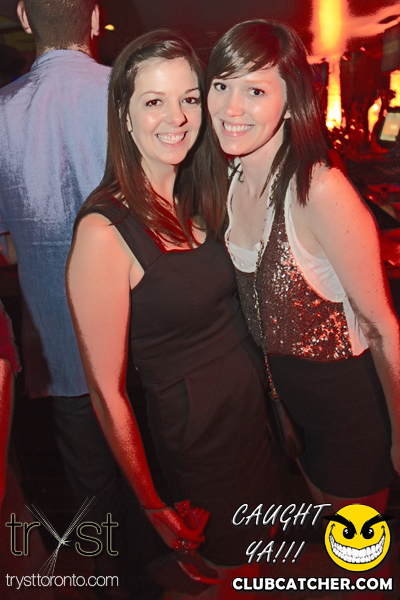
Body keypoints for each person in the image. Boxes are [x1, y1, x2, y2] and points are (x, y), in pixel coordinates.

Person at [66, 29, 284, 597]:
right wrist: (150, 502)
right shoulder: (104, 232)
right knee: (234, 575)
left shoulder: (196, 194)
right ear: (124, 114)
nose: (178, 118)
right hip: (201, 444)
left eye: (189, 98)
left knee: (260, 560)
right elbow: (106, 392)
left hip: (252, 424)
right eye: (154, 101)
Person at [206, 20, 400, 514]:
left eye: (255, 90)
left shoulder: (319, 190)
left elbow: (382, 327)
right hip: (287, 410)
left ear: (291, 102)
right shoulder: (229, 179)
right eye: (221, 85)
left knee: (356, 555)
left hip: (347, 411)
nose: (230, 108)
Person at [0, 1, 128, 596]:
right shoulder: (137, 94)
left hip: (62, 343)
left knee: (92, 487)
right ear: (96, 18)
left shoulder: (2, 112)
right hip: (146, 337)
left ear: (26, 18)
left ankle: (109, 581)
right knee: (163, 477)